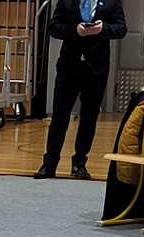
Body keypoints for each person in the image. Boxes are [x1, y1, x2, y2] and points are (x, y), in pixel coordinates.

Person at [33, 0, 127, 180]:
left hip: (96, 68)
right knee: (59, 116)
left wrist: (102, 29)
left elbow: (121, 29)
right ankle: (49, 164)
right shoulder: (67, 1)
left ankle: (79, 163)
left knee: (89, 118)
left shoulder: (112, 2)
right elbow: (54, 27)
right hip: (69, 66)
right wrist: (75, 30)